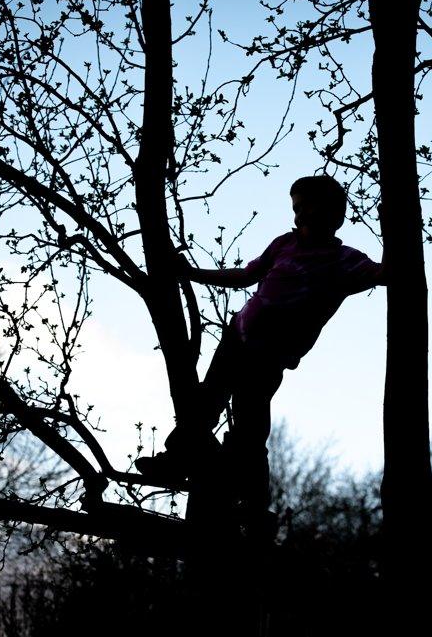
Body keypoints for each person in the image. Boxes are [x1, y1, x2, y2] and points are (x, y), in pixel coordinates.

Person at [135, 175, 387, 518]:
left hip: (269, 355)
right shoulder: (285, 244)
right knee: (204, 404)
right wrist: (191, 273)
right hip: (236, 337)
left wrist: (395, 231)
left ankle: (252, 502)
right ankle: (176, 462)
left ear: (330, 212)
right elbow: (245, 275)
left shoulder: (345, 261)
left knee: (249, 427)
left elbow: (386, 272)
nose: (298, 216)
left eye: (305, 207)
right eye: (295, 209)